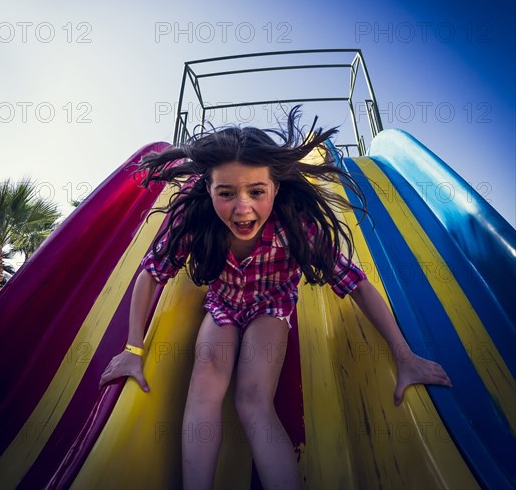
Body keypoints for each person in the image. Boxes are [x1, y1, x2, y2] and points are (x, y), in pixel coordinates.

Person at [99, 106, 452, 490]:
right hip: (222, 304)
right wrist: (133, 350)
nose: (242, 207)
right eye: (226, 193)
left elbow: (358, 285)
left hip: (272, 305)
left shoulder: (296, 227)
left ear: (276, 188)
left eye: (256, 192)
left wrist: (404, 354)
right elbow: (150, 275)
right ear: (208, 189)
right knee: (203, 385)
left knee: (252, 401)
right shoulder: (197, 222)